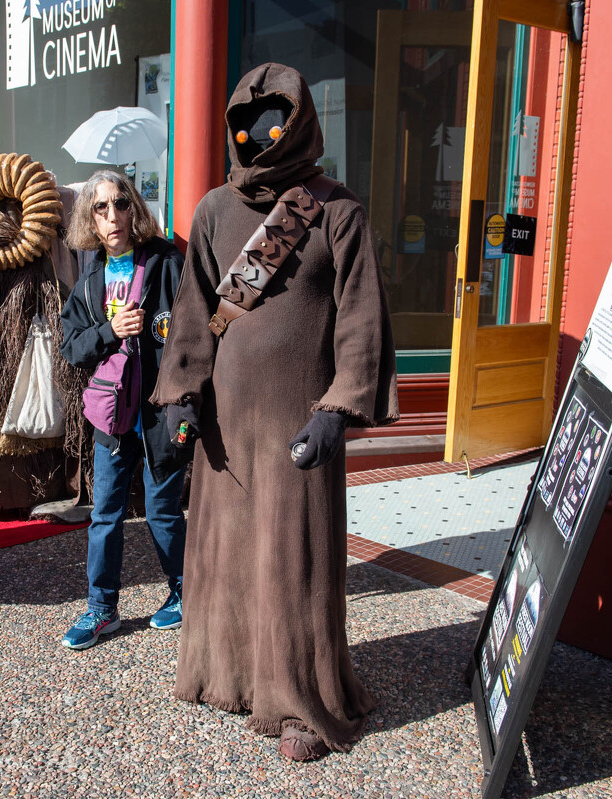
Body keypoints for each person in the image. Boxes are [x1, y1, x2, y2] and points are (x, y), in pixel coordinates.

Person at [150, 63, 399, 760]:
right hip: (226, 422)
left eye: (273, 124)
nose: (257, 136)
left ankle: (299, 702)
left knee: (296, 562)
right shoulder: (212, 211)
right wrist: (181, 394)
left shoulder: (336, 211)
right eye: (245, 126)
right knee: (227, 551)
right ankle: (227, 675)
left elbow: (362, 319)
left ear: (301, 125)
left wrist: (338, 409)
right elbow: (196, 312)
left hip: (298, 418)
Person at [58, 170, 190, 650]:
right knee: (105, 514)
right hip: (112, 416)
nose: (112, 215)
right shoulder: (90, 277)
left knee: (162, 512)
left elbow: (195, 334)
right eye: (100, 207)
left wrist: (188, 402)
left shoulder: (166, 262)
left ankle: (187, 593)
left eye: (120, 203)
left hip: (160, 412)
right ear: (89, 219)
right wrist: (110, 331)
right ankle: (102, 608)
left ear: (134, 208)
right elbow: (71, 346)